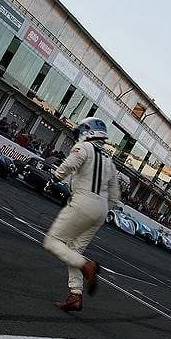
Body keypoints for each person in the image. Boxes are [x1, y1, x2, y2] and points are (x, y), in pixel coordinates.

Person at [42, 117, 119, 312]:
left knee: (52, 241)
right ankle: (75, 295)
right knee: (73, 252)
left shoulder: (84, 147)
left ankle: (87, 267)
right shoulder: (109, 161)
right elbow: (115, 195)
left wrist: (54, 178)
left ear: (88, 131)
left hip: (83, 201)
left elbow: (70, 164)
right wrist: (102, 209)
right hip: (101, 209)